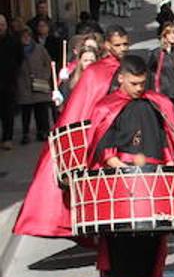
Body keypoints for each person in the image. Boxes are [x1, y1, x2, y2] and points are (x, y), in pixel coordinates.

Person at [84, 55, 174, 277]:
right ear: (121, 79)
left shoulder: (154, 104)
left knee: (154, 238)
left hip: (153, 179)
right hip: (121, 182)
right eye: (134, 83)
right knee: (119, 242)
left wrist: (168, 166)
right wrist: (126, 171)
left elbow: (166, 141)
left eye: (142, 83)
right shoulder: (107, 107)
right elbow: (104, 149)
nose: (140, 88)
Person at [13, 27, 130, 239]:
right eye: (118, 45)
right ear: (107, 45)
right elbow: (80, 108)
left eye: (125, 44)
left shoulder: (128, 67)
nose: (122, 49)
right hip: (98, 137)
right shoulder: (95, 72)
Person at [14, 26, 54, 145]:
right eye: (23, 36)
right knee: (26, 110)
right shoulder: (17, 50)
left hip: (40, 81)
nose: (26, 38)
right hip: (23, 83)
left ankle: (43, 131)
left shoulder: (39, 48)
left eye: (28, 36)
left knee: (41, 108)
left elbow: (48, 63)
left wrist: (45, 76)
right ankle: (25, 133)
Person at [0, 15, 21, 149]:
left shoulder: (13, 41)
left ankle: (7, 138)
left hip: (8, 81)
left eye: (2, 24)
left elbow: (20, 58)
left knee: (8, 111)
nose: (0, 27)